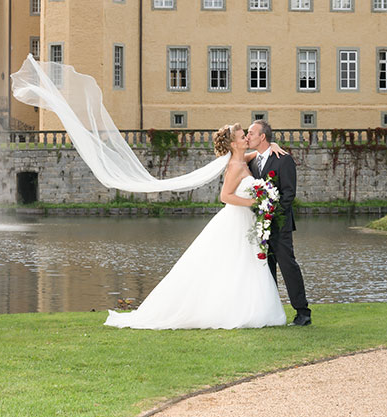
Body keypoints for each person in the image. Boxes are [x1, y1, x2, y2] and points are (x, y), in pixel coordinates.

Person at [105, 124, 287, 330]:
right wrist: (255, 203)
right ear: (234, 143)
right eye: (242, 136)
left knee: (242, 265)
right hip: (236, 218)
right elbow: (225, 196)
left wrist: (271, 144)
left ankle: (244, 307)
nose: (246, 137)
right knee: (232, 264)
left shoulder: (241, 160)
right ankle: (230, 310)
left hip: (244, 221)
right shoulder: (235, 165)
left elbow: (256, 154)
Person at [247, 119, 311, 326]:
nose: (248, 137)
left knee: (288, 266)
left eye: (251, 133)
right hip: (259, 228)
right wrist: (261, 219)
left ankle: (303, 312)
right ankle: (271, 312)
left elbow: (288, 194)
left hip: (280, 225)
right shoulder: (251, 161)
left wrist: (271, 216)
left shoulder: (284, 160)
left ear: (262, 137)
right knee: (266, 269)